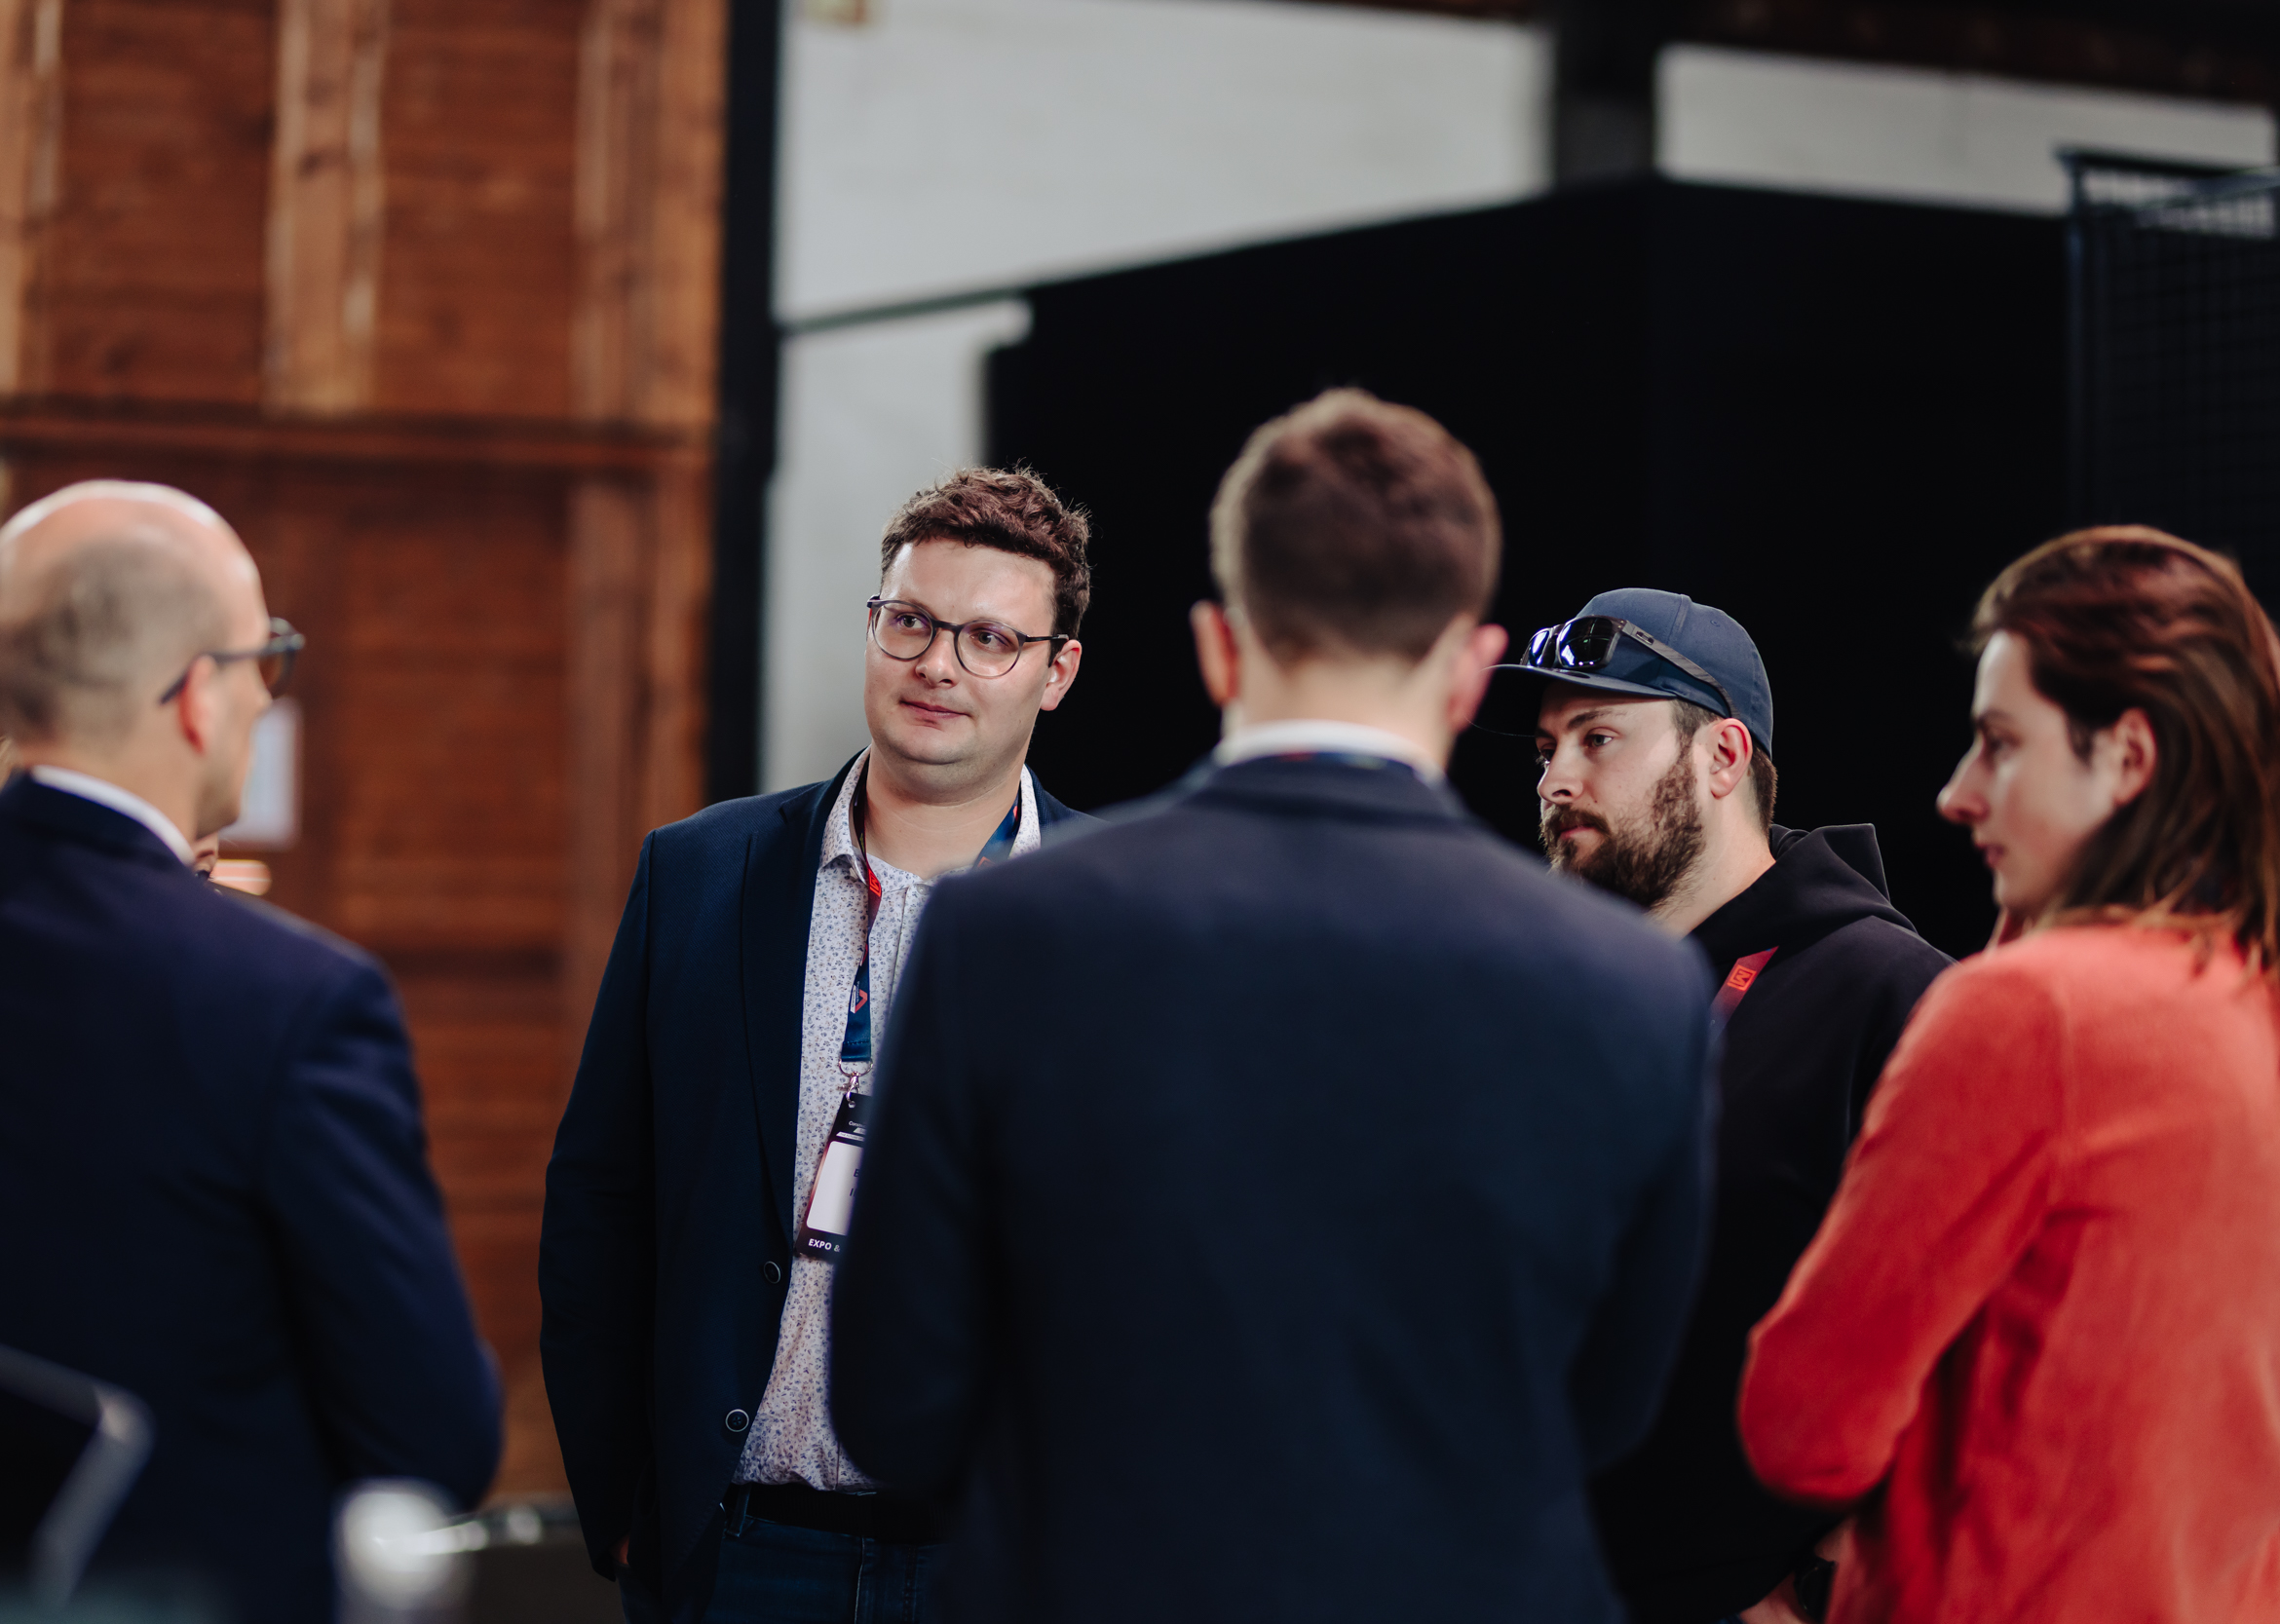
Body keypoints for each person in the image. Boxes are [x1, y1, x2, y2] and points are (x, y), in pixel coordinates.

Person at [830, 391, 1717, 1623]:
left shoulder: (1008, 934)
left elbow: (894, 1399)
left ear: (1219, 646)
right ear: (1471, 670)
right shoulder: (1635, 985)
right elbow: (1611, 1406)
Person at [0, 481, 501, 1623]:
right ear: (199, 693)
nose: (267, 693)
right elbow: (432, 1427)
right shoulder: (291, 998)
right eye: (266, 657)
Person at [539, 468, 1095, 1624]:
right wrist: (628, 1502)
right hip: (740, 1550)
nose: (937, 664)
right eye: (911, 621)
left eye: (990, 638)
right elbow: (599, 1199)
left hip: (1008, 1562)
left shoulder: (1122, 917)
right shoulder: (699, 873)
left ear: (1056, 672)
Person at [1740, 526, 2280, 1622]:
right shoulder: (2249, 1003)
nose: (1956, 792)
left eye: (1999, 744)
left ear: (2126, 757)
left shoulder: (2030, 1014)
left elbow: (1800, 1423)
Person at [1482, 591, 1951, 1623]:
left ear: (1723, 756)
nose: (1555, 779)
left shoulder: (1890, 992)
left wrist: (1822, 1580)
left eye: (1598, 737)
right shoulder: (1558, 1002)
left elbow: (1968, 1342)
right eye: (1548, 749)